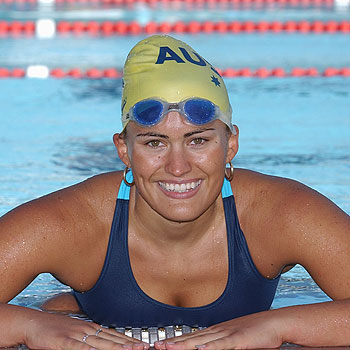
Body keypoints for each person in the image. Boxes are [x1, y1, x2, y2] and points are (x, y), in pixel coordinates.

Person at [0, 34, 349, 350]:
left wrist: (277, 326)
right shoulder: (72, 223)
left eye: (198, 140)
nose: (178, 167)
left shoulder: (280, 213)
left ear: (230, 145)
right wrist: (28, 325)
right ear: (124, 150)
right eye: (155, 142)